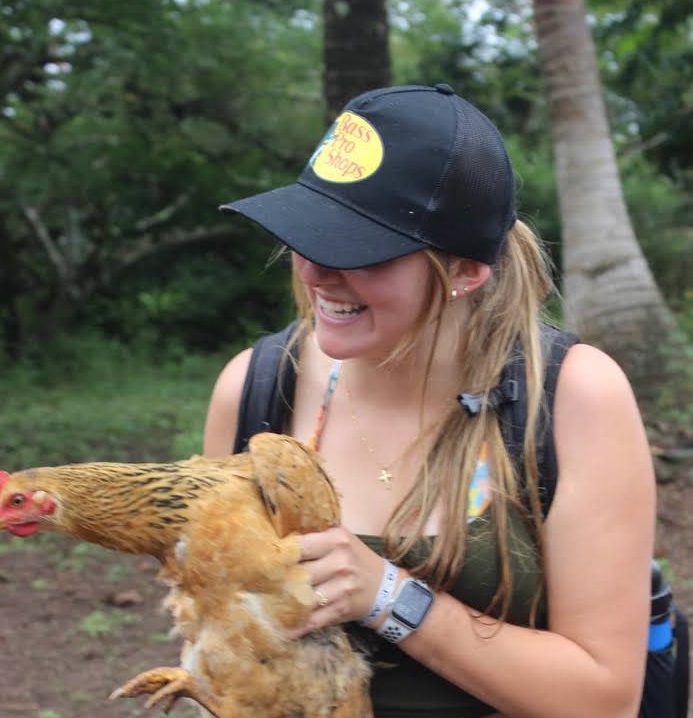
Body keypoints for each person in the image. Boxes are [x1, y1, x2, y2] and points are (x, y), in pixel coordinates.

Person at [204, 83, 656, 718]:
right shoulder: (257, 389)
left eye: (356, 252)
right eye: (306, 233)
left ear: (467, 271)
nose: (313, 272)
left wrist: (386, 596)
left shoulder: (574, 398)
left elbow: (604, 699)